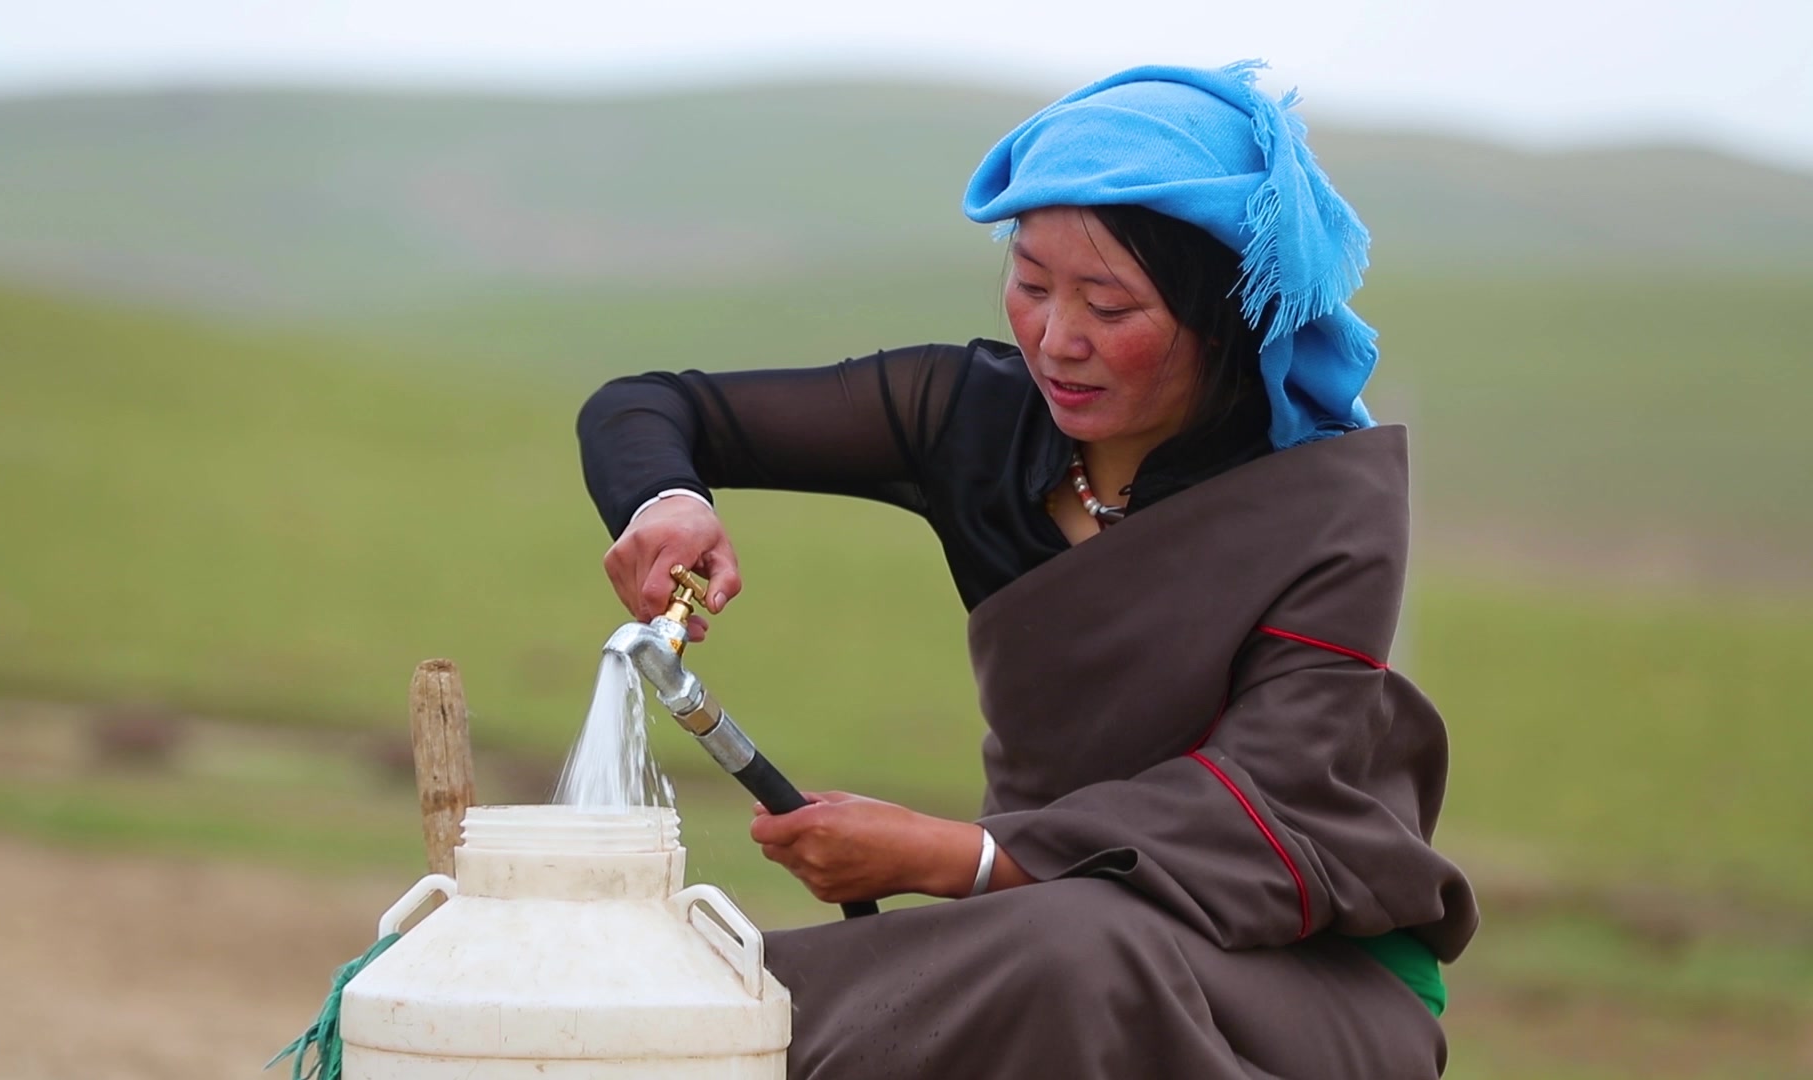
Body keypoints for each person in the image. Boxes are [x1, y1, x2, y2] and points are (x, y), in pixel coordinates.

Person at [577, 61, 1477, 1080]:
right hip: (1043, 920)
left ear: (1220, 318)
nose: (1056, 339)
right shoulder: (972, 415)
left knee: (1071, 953)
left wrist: (952, 858)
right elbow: (649, 408)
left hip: (1295, 967)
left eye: (1109, 305)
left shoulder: (1325, 509)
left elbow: (1259, 808)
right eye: (1031, 282)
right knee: (669, 1005)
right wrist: (670, 503)